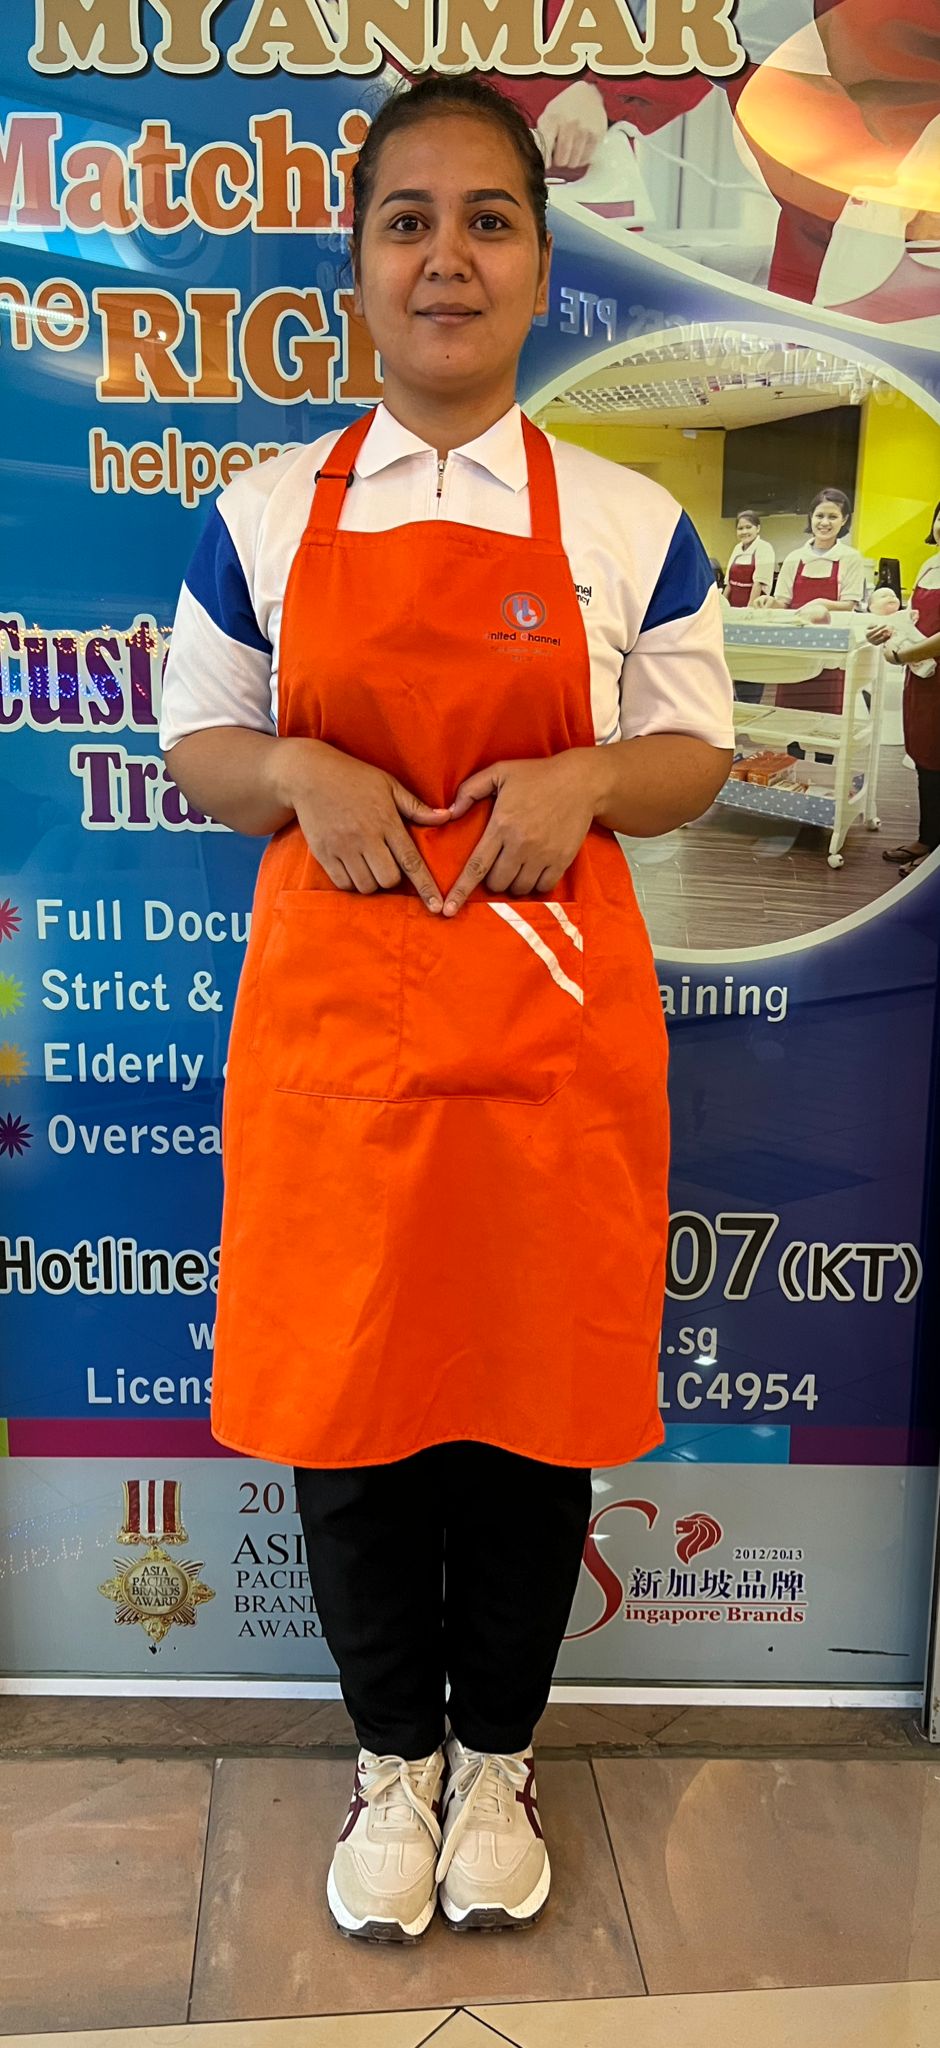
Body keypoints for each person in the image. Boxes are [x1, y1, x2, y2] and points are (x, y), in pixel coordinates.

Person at [159, 74, 733, 1947]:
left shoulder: (630, 521)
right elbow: (198, 741)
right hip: (338, 1044)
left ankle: (499, 1758)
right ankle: (390, 1759)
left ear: (543, 267)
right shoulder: (261, 515)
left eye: (489, 220)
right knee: (354, 1416)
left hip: (551, 1047)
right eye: (407, 221)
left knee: (528, 1418)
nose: (448, 258)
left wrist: (591, 781)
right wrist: (293, 769)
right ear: (359, 269)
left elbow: (696, 750)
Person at [867, 499, 940, 875]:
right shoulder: (930, 565)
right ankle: (928, 839)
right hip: (922, 677)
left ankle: (934, 864)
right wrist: (887, 633)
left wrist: (903, 654)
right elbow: (913, 620)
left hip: (931, 671)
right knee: (926, 759)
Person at [755, 487, 864, 719]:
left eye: (833, 516)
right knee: (790, 716)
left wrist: (820, 603)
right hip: (795, 650)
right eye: (819, 515)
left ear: (844, 520)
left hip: (831, 650)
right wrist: (768, 601)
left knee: (827, 720)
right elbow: (783, 602)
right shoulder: (795, 558)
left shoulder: (851, 558)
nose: (824, 522)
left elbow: (849, 604)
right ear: (811, 517)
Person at [726, 511, 776, 609]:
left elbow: (759, 584)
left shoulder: (764, 548)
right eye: (740, 528)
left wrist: (749, 610)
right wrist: (722, 607)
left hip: (754, 608)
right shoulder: (737, 548)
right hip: (732, 607)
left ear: (758, 528)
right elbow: (729, 584)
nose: (744, 532)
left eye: (748, 527)